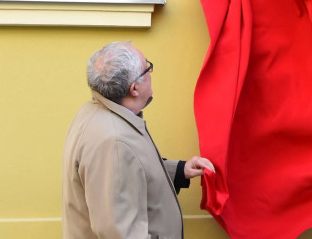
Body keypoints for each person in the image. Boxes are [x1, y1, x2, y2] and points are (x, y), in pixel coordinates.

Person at [62, 41, 214, 239]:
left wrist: (179, 171)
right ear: (134, 88)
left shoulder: (97, 111)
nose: (151, 73)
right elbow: (121, 233)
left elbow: (128, 172)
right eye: (147, 68)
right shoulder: (114, 142)